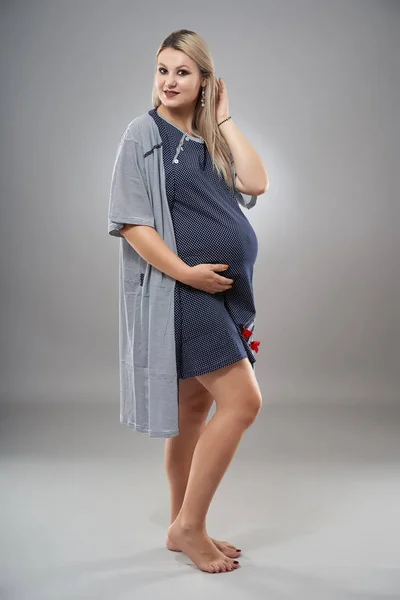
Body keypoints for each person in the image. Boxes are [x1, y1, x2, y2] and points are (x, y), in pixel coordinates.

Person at [108, 29, 269, 574]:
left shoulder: (209, 138)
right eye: (162, 70)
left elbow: (257, 181)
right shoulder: (142, 133)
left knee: (194, 409)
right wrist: (187, 274)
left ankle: (181, 524)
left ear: (204, 81)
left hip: (218, 295)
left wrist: (222, 118)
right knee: (243, 403)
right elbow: (131, 221)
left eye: (182, 71)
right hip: (182, 290)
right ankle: (192, 527)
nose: (169, 81)